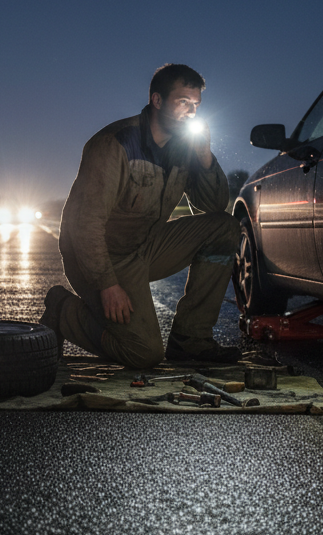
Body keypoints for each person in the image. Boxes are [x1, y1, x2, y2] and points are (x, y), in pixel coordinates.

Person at [40, 63, 242, 368]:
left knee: (224, 228)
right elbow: (85, 225)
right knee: (144, 353)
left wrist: (204, 157)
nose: (191, 112)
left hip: (146, 246)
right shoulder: (114, 144)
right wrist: (107, 284)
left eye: (196, 105)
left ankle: (191, 339)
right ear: (157, 100)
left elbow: (212, 205)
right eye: (183, 102)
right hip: (100, 258)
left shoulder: (184, 149)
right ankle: (62, 311)